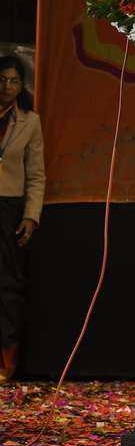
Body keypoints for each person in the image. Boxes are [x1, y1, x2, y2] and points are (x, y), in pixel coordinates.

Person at [0, 55, 45, 384]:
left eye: (14, 81)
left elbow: (37, 175)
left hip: (9, 209)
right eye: (2, 79)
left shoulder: (30, 121)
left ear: (21, 85)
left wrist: (31, 216)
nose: (7, 86)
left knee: (8, 285)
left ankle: (7, 360)